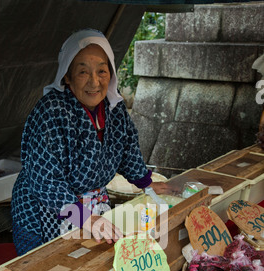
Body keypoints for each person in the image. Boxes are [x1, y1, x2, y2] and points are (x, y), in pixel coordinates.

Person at [11, 29, 170, 256]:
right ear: (67, 76)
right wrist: (84, 218)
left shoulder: (114, 110)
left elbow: (127, 149)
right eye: (83, 72)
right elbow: (46, 181)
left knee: (91, 259)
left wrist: (145, 183)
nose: (94, 82)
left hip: (91, 206)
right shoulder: (50, 112)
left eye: (102, 71)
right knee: (47, 268)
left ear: (111, 73)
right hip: (43, 207)